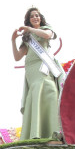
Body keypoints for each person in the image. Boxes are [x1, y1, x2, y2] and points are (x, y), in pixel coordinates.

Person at [11, 7, 65, 140]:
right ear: (29, 20)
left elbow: (47, 35)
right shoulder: (27, 38)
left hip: (44, 66)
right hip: (32, 68)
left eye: (37, 15)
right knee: (35, 94)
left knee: (51, 92)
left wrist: (29, 29)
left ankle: (52, 131)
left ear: (40, 17)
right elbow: (18, 57)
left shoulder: (47, 29)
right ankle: (34, 133)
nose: (35, 18)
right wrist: (13, 40)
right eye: (32, 16)